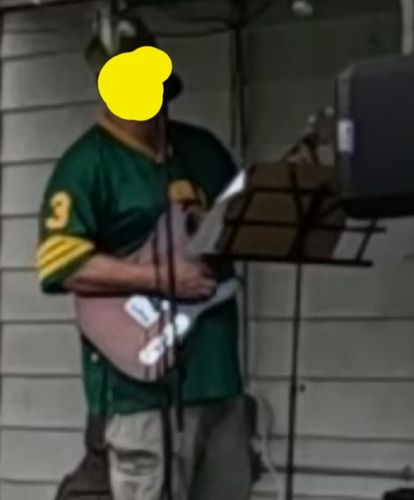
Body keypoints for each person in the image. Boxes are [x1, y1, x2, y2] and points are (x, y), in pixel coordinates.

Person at [38, 17, 252, 500]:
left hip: (217, 371)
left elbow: (248, 225)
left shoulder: (202, 150)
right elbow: (61, 265)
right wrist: (160, 278)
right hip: (139, 384)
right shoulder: (86, 165)